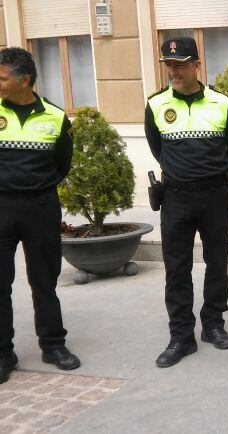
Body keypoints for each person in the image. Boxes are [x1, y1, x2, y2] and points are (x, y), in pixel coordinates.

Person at [145, 37, 228, 368]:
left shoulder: (222, 104)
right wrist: (182, 174)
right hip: (175, 197)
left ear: (197, 66)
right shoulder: (156, 105)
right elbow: (157, 147)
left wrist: (210, 174)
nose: (173, 71)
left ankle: (213, 325)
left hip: (215, 195)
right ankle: (181, 336)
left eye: (181, 64)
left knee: (217, 263)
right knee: (177, 268)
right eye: (169, 65)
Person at [0, 47, 81, 384]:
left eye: (3, 78)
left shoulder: (56, 117)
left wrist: (37, 190)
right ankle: (4, 353)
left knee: (44, 281)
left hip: (41, 207)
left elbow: (63, 164)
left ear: (25, 80)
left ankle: (53, 344)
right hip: (1, 208)